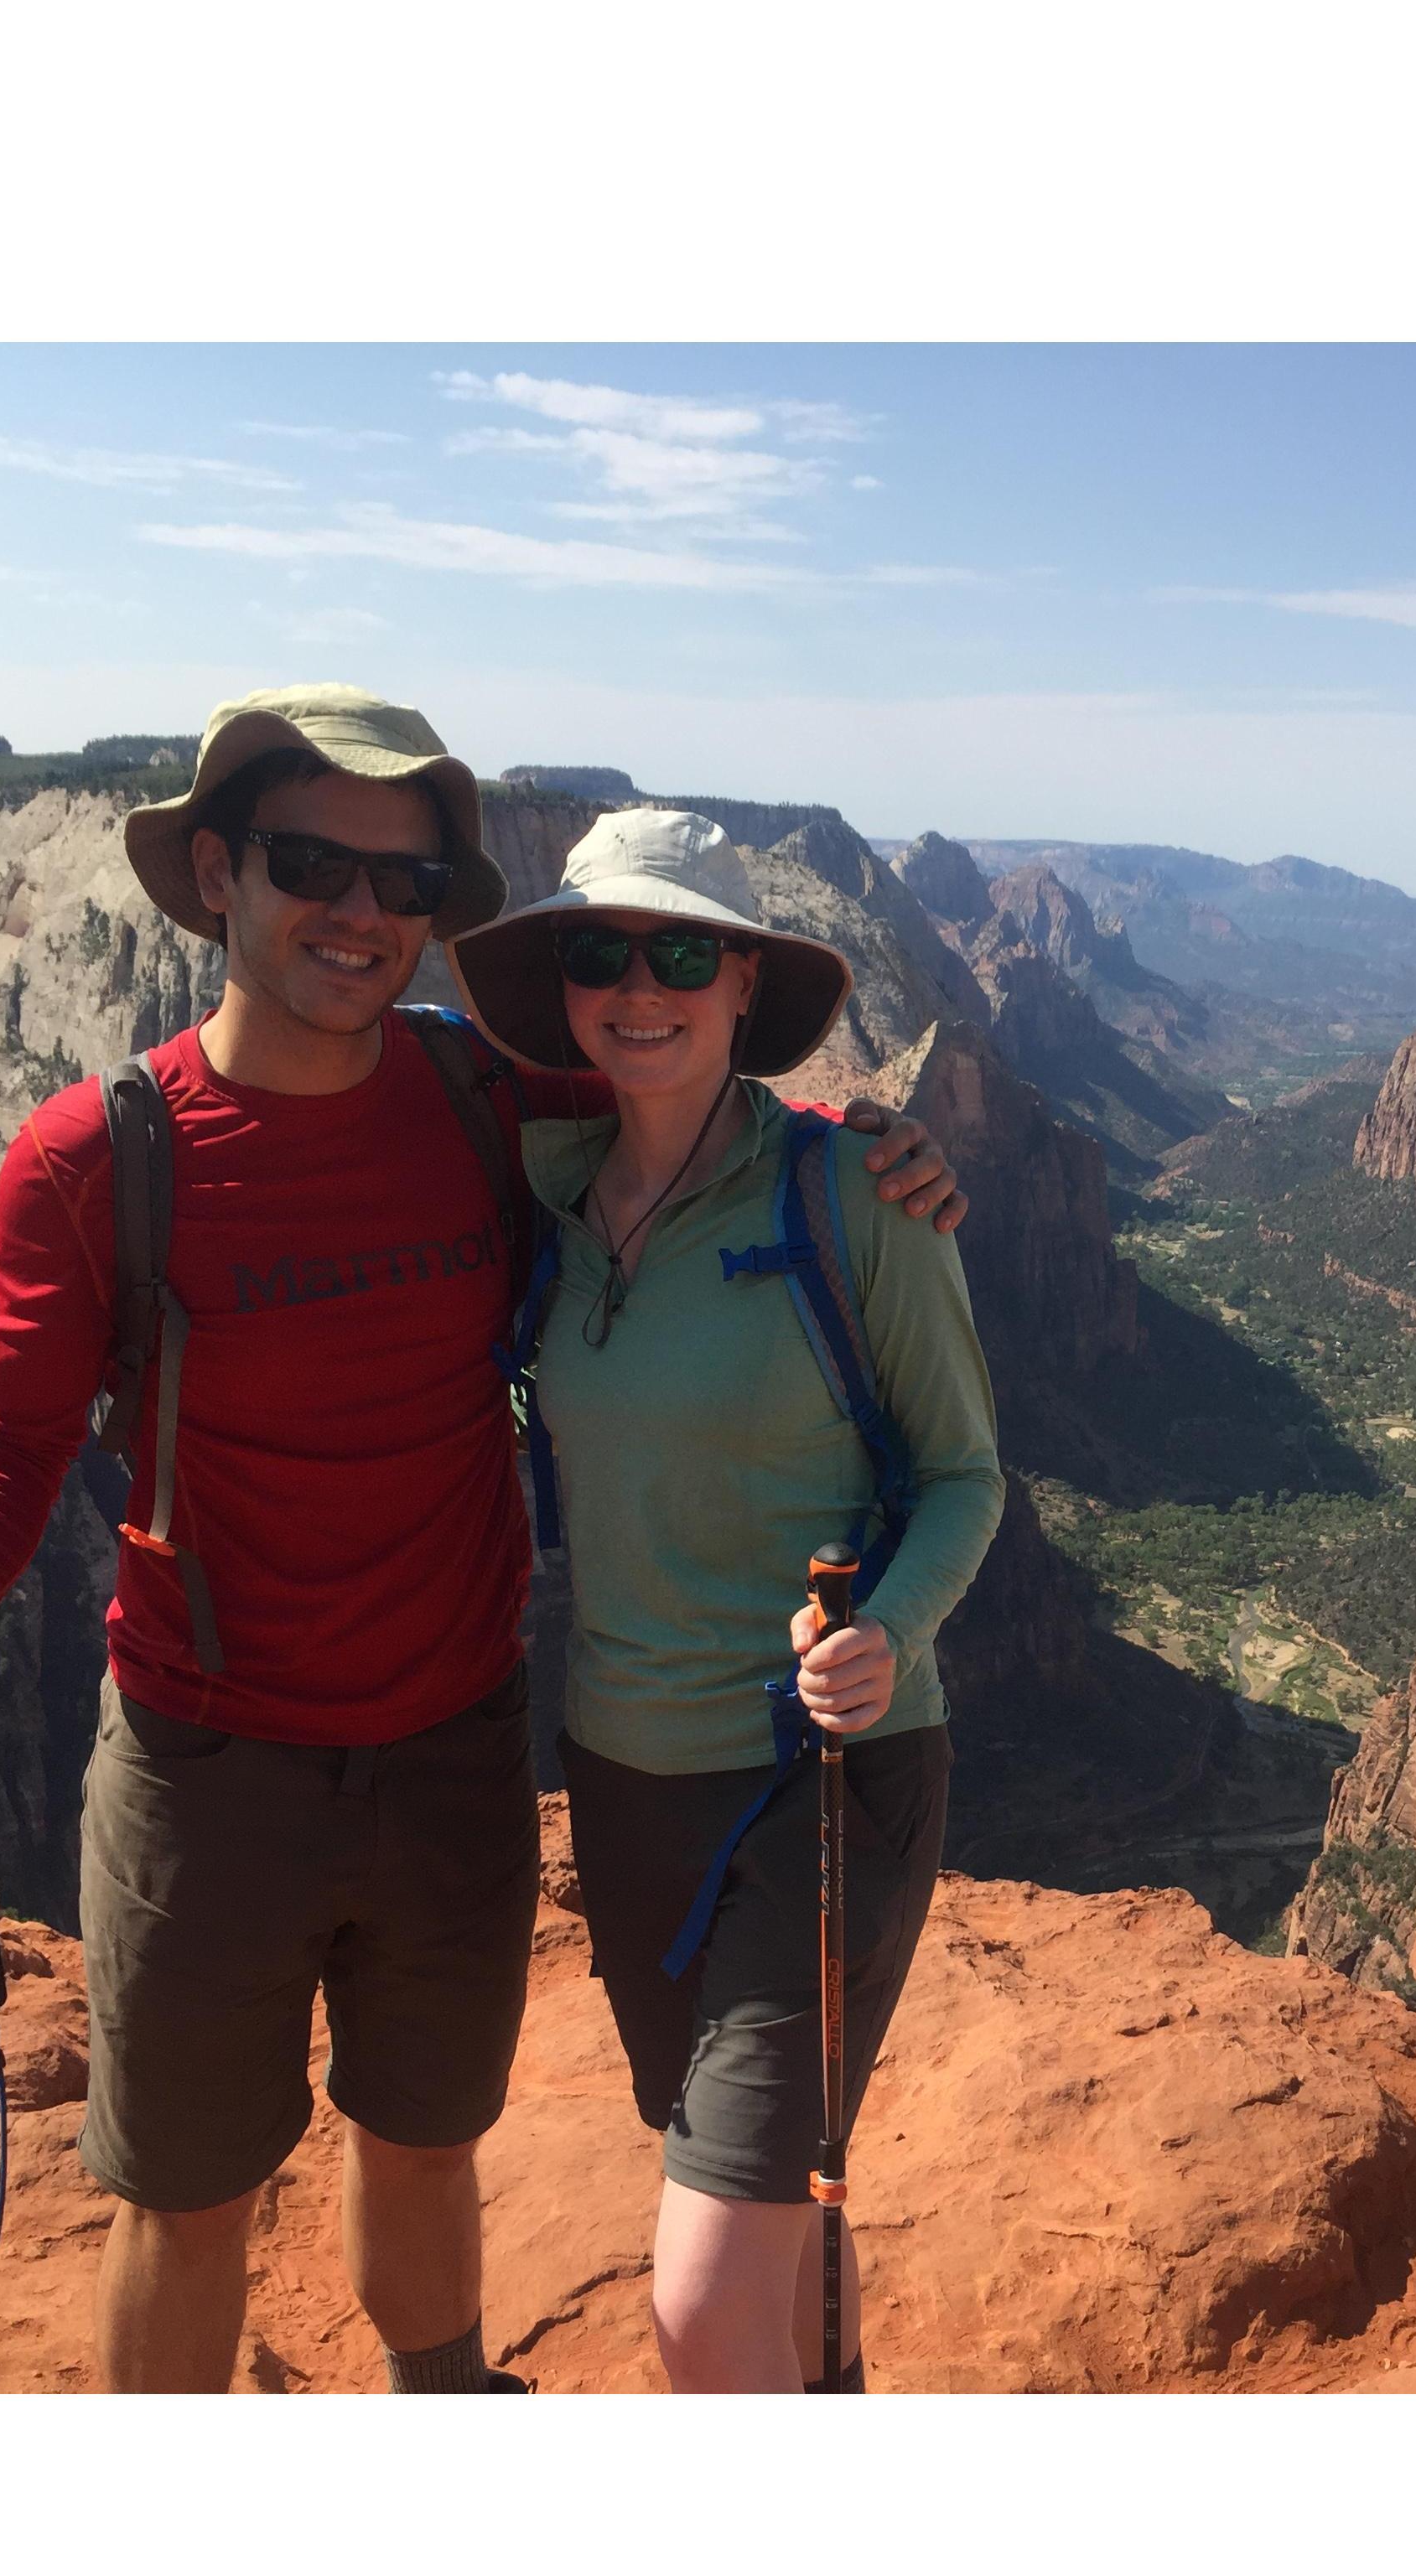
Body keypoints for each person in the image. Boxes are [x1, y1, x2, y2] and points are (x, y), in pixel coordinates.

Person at [0, 685, 965, 2394]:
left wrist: (885, 1149)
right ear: (218, 873)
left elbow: (697, 1132)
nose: (361, 916)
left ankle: (447, 2401)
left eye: (406, 883)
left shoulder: (479, 1102)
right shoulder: (99, 1156)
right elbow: (2, 1431)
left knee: (427, 2140)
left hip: (454, 1750)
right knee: (191, 2198)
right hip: (209, 1763)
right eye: (311, 864)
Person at [446, 808, 1002, 2392]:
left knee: (696, 2291)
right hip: (621, 1778)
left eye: (684, 952)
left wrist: (890, 1632)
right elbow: (344, 1046)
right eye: (603, 953)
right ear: (562, 983)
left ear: (746, 980)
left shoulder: (856, 1196)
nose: (643, 987)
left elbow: (968, 1473)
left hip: (820, 1777)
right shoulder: (540, 1183)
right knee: (763, 2184)